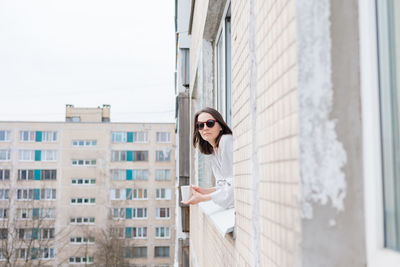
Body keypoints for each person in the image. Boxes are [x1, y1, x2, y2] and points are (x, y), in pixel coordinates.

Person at [181, 107, 234, 209]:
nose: (205, 128)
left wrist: (204, 198)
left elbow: (233, 184)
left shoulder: (226, 141)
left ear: (220, 126)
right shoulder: (213, 150)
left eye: (210, 123)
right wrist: (204, 191)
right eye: (200, 125)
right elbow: (223, 185)